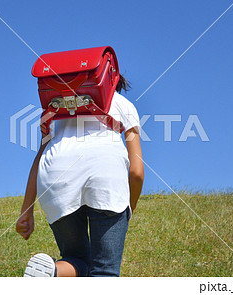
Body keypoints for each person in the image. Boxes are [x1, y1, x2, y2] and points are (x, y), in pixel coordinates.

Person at [16, 74, 144, 277]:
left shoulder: (56, 107)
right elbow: (136, 171)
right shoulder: (124, 105)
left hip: (55, 176)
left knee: (76, 259)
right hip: (106, 176)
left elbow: (39, 158)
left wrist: (26, 210)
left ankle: (53, 273)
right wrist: (129, 206)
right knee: (104, 271)